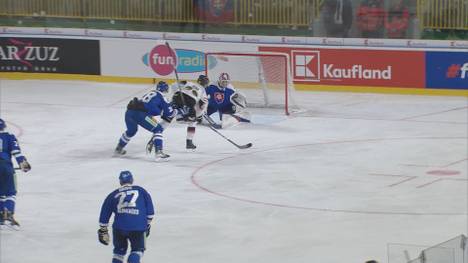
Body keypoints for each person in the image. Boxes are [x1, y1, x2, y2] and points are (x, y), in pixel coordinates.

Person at [98, 171, 155, 263]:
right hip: (138, 227)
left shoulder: (113, 195)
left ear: (120, 182)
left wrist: (103, 230)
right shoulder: (141, 191)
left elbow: (104, 215)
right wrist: (147, 225)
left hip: (119, 228)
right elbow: (150, 214)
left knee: (118, 253)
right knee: (137, 250)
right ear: (132, 180)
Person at [114, 81, 180, 160]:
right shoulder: (163, 97)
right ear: (166, 90)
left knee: (131, 131)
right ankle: (159, 152)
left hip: (129, 112)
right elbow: (170, 113)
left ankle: (119, 148)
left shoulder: (150, 93)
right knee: (158, 129)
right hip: (141, 115)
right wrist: (176, 110)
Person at [0, 118, 31, 228]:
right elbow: (16, 153)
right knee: (10, 192)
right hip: (6, 167)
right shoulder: (9, 137)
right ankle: (8, 213)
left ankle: (1, 218)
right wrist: (23, 163)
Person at [170, 80, 208, 150]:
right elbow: (202, 106)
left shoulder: (189, 82)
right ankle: (189, 142)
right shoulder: (203, 91)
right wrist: (198, 117)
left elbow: (173, 85)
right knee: (193, 121)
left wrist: (177, 92)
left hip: (177, 96)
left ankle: (156, 134)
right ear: (206, 85)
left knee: (167, 118)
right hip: (190, 101)